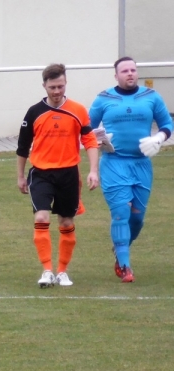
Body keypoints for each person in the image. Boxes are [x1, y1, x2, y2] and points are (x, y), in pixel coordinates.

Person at [89, 57, 173, 283]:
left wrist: (159, 138)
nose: (130, 74)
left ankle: (120, 248)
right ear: (116, 75)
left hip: (142, 165)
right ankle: (125, 266)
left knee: (137, 218)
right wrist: (99, 139)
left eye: (133, 70)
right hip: (114, 163)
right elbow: (86, 128)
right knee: (121, 212)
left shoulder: (151, 96)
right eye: (124, 71)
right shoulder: (104, 98)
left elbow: (167, 124)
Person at [16, 64, 99, 288]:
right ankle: (47, 271)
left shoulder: (78, 110)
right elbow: (22, 147)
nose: (56, 91)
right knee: (41, 218)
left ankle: (62, 272)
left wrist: (93, 170)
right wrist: (20, 176)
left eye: (60, 86)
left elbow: (89, 140)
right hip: (41, 174)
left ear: (66, 84)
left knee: (66, 221)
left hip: (69, 174)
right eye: (52, 87)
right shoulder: (34, 112)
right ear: (44, 86)